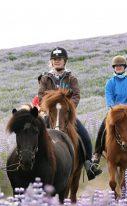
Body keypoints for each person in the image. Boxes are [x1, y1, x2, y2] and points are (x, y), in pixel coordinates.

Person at [37, 47, 102, 180]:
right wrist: (48, 107)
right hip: (51, 114)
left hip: (66, 114)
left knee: (84, 135)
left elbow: (76, 95)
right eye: (54, 59)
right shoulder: (45, 78)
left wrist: (69, 108)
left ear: (65, 61)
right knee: (36, 133)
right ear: (51, 62)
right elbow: (40, 96)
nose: (57, 62)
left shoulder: (71, 78)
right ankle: (34, 162)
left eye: (59, 59)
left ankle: (88, 164)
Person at [92, 56, 127, 164]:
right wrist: (111, 106)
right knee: (102, 128)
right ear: (114, 68)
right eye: (116, 66)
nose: (118, 68)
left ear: (124, 67)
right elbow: (108, 95)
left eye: (121, 66)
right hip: (114, 111)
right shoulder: (110, 82)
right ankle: (97, 152)